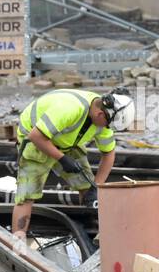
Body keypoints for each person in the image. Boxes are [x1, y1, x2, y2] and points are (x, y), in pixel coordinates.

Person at [12, 87, 135, 239]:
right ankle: (18, 240)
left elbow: (109, 154)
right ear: (100, 114)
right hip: (35, 138)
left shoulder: (104, 118)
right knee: (27, 195)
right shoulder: (69, 109)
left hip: (67, 139)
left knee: (87, 187)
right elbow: (36, 136)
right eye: (107, 124)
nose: (107, 128)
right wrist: (62, 158)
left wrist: (96, 187)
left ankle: (92, 235)